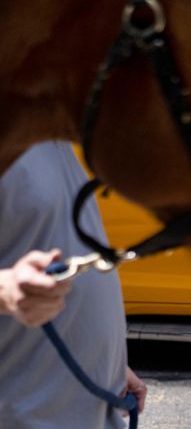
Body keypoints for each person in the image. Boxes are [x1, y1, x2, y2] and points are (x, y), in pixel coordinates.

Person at [0, 142, 147, 428]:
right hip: (25, 414)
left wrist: (109, 364)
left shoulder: (43, 129)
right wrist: (5, 290)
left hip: (90, 404)